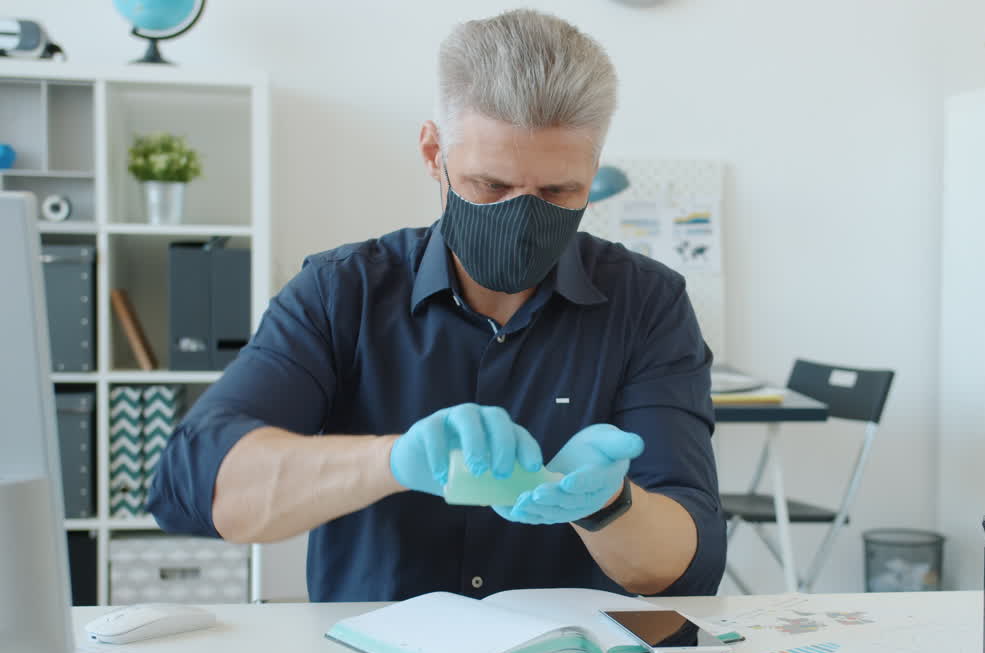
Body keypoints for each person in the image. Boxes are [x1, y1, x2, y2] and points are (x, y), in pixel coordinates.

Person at [148, 9, 725, 602]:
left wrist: (611, 505)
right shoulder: (342, 293)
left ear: (592, 172)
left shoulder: (647, 304)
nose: (522, 217)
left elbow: (689, 566)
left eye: (558, 191)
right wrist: (392, 462)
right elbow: (194, 488)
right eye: (490, 186)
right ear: (433, 154)